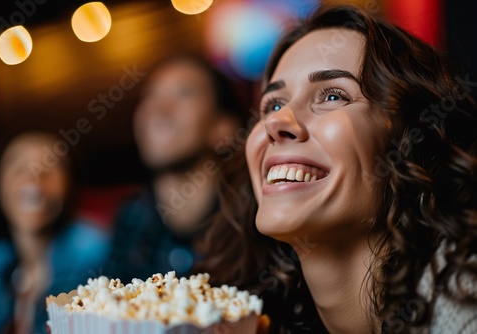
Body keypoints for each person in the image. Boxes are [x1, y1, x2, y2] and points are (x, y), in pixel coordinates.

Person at [200, 4, 477, 334]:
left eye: (332, 96)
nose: (276, 121)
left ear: (409, 140)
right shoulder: (247, 314)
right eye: (273, 104)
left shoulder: (464, 301)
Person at [105, 55, 245, 283]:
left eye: (184, 93)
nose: (158, 108)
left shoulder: (251, 218)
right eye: (150, 95)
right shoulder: (131, 219)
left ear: (224, 129)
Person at [0, 130, 109, 334]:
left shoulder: (100, 255)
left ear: (70, 186)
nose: (34, 176)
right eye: (19, 168)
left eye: (50, 167)